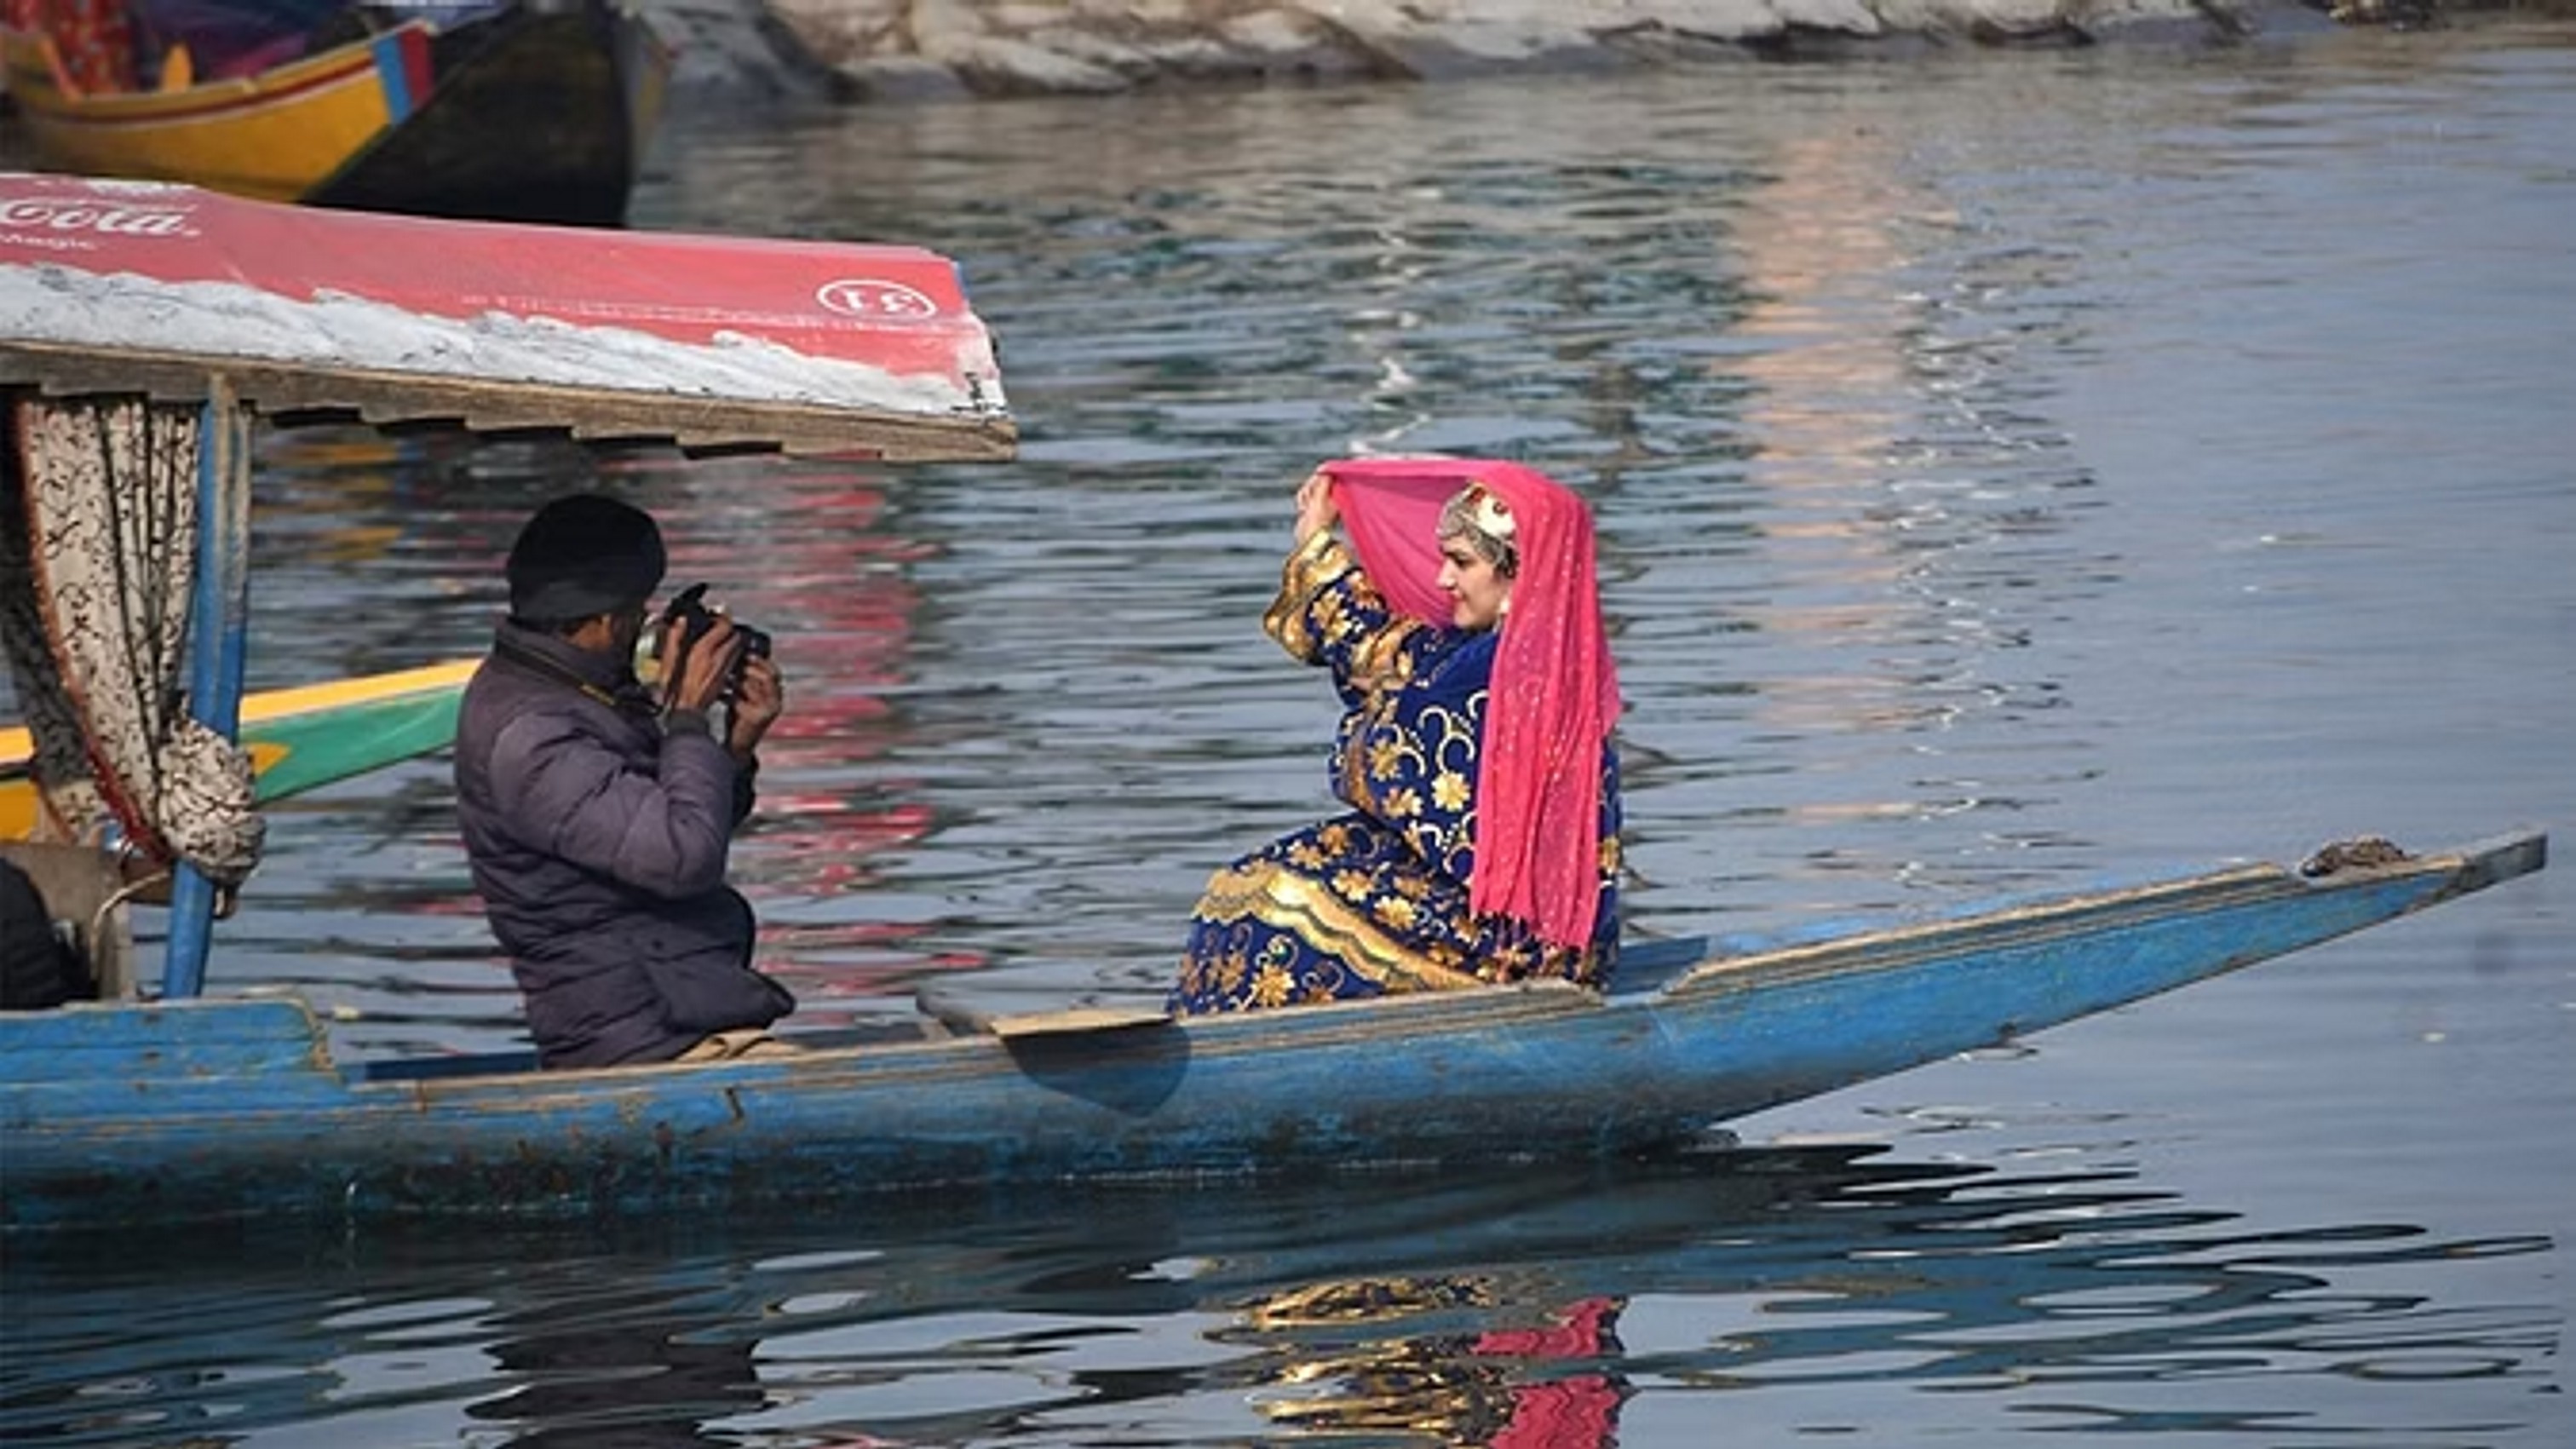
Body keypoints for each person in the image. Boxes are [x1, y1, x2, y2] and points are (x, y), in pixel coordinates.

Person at [1170, 457, 1623, 1014]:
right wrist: (1317, 542)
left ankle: (1235, 1052)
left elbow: (1395, 729)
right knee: (1246, 879)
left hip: (1521, 942)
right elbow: (1386, 654)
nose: (1442, 580)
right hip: (1488, 906)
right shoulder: (1488, 653)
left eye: (1461, 562)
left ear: (1519, 576)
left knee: (1279, 901)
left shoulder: (1519, 672)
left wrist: (1374, 720)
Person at [453, 494, 795, 1068]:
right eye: (639, 611)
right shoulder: (534, 734)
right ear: (607, 621)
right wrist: (687, 716)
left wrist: (734, 748)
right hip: (642, 1039)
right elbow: (684, 856)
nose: (645, 625)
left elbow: (669, 821)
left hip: (676, 1008)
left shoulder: (570, 691)